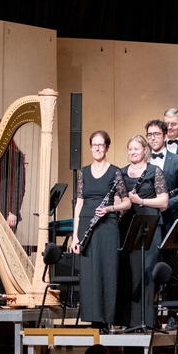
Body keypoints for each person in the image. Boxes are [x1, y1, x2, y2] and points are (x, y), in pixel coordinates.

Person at [70, 131, 129, 330]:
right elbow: (78, 205)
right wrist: (75, 236)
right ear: (90, 147)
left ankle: (107, 319)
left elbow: (127, 203)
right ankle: (93, 319)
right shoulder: (83, 173)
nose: (97, 148)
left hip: (107, 226)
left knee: (108, 271)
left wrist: (110, 208)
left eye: (100, 145)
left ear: (107, 147)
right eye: (93, 145)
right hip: (87, 224)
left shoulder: (115, 172)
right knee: (89, 274)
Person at [120, 134, 168, 329]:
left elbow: (163, 202)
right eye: (130, 149)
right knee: (129, 272)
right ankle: (129, 321)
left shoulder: (154, 171)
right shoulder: (121, 173)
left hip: (150, 223)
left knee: (147, 272)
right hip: (127, 226)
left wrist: (141, 201)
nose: (132, 152)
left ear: (145, 151)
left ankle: (147, 320)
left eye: (136, 149)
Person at [0, 118, 26, 304]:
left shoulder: (16, 156)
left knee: (3, 258)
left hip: (6, 213)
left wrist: (13, 211)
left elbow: (19, 186)